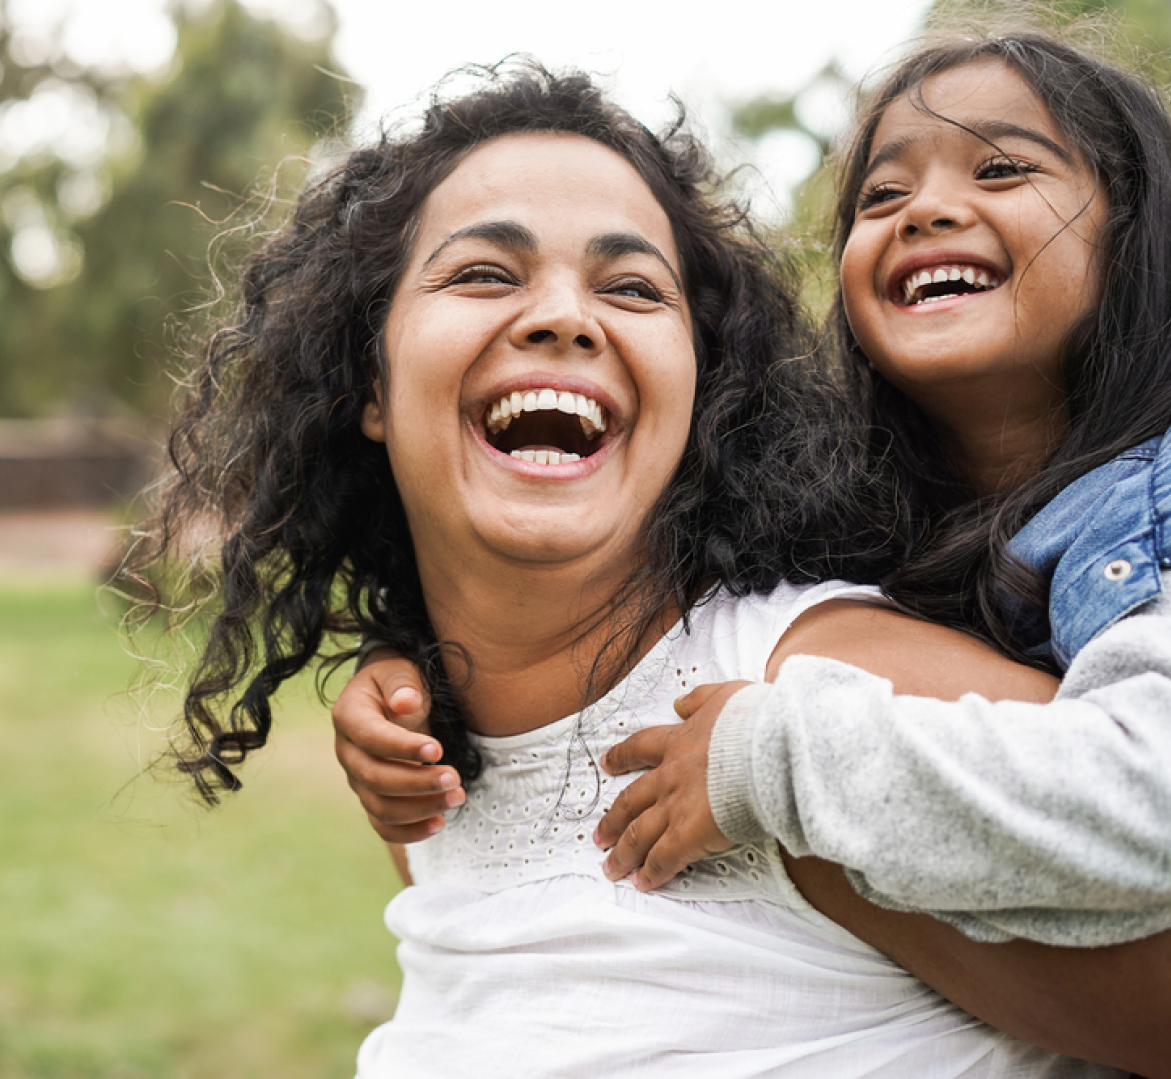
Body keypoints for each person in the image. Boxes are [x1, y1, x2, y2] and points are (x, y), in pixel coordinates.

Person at [330, 36, 1171, 1074]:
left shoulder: (820, 693)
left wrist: (773, 766)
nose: (559, 317)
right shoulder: (427, 755)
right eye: (483, 272)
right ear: (366, 380)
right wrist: (400, 662)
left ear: (705, 387)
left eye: (633, 288)